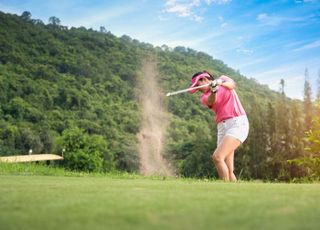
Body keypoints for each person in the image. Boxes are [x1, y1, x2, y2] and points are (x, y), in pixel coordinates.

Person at [188, 71, 249, 181]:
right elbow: (211, 101)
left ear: (205, 79)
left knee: (217, 157)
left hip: (237, 123)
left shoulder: (223, 78)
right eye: (196, 87)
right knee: (229, 170)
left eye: (198, 85)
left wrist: (220, 82)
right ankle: (235, 194)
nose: (198, 88)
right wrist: (213, 91)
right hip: (222, 127)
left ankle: (223, 189)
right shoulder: (204, 97)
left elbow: (232, 85)